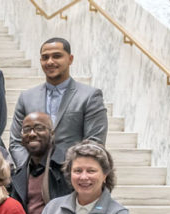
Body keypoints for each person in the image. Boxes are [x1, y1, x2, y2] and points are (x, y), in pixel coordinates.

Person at [9, 38, 108, 168]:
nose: (50, 61)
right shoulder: (26, 97)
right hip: (34, 176)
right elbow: (15, 142)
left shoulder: (89, 96)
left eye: (57, 56)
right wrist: (31, 167)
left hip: (72, 175)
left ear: (70, 59)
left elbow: (94, 142)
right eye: (45, 57)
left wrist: (69, 169)